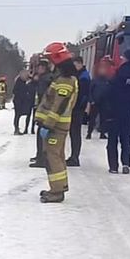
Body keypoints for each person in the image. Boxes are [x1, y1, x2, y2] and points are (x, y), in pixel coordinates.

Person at [34, 43, 79, 203]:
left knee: (52, 157)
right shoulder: (64, 78)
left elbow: (58, 106)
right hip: (58, 125)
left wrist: (48, 124)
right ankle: (60, 187)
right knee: (57, 156)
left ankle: (56, 191)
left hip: (56, 126)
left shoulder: (65, 80)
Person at [105, 49, 130, 174]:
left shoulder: (119, 74)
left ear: (126, 58)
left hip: (115, 111)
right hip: (128, 112)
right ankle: (126, 163)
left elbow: (111, 91)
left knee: (112, 140)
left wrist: (108, 109)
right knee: (126, 139)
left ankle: (113, 166)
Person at [67, 57, 91, 167]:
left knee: (75, 133)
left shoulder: (83, 77)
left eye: (75, 64)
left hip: (77, 109)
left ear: (80, 64)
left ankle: (75, 157)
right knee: (74, 133)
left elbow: (82, 95)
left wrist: (76, 106)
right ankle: (73, 156)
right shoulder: (81, 75)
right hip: (77, 108)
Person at [29, 60, 53, 167]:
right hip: (44, 109)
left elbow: (42, 95)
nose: (37, 70)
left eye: (39, 68)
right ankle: (40, 156)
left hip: (44, 110)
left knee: (41, 135)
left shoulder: (45, 79)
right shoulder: (47, 78)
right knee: (42, 134)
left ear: (43, 68)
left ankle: (41, 158)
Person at [88, 57, 113, 139]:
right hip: (95, 102)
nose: (102, 71)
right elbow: (90, 91)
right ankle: (89, 133)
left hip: (104, 103)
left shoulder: (108, 81)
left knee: (103, 119)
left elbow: (110, 92)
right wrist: (91, 100)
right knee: (92, 119)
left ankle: (102, 133)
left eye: (104, 70)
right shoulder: (95, 80)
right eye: (101, 69)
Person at [12, 70, 35, 134]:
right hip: (19, 101)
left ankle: (17, 129)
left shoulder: (21, 81)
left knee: (18, 115)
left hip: (21, 101)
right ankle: (16, 129)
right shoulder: (20, 82)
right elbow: (16, 91)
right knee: (17, 115)